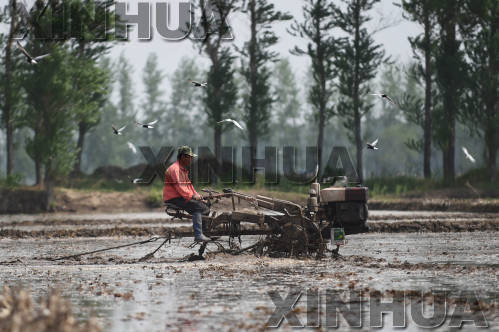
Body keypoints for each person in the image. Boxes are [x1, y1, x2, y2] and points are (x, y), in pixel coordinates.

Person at [163, 146, 211, 242]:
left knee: (206, 205)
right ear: (183, 157)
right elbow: (179, 187)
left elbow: (190, 187)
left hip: (181, 196)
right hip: (174, 198)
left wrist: (199, 197)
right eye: (190, 157)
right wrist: (193, 197)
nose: (191, 159)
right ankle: (198, 235)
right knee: (198, 207)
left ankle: (205, 232)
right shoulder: (175, 169)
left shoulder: (182, 170)